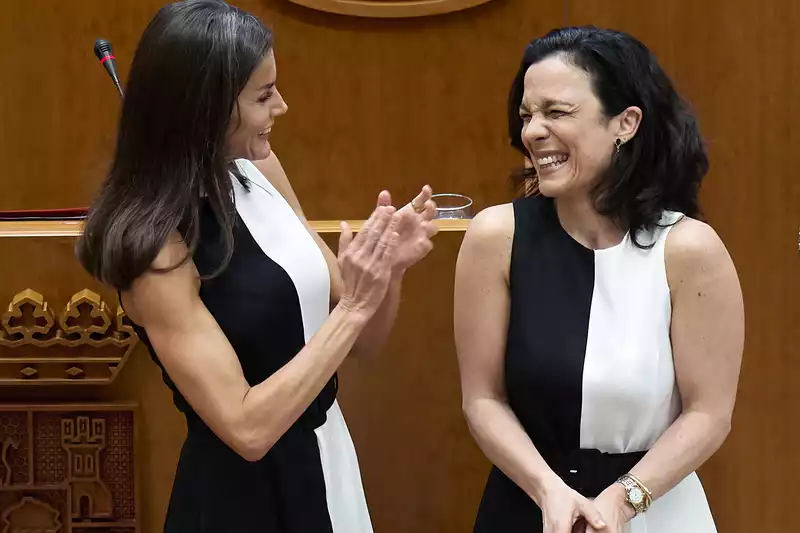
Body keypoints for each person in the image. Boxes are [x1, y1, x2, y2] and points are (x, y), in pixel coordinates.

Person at [76, 1, 437, 532]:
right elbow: (247, 428)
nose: (283, 107)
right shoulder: (157, 249)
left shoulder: (258, 164)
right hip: (243, 499)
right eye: (264, 95)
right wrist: (357, 306)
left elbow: (362, 340)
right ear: (207, 108)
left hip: (327, 453)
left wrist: (389, 271)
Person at [453, 26, 744, 533]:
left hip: (652, 507)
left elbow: (709, 412)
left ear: (625, 123)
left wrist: (621, 502)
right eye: (526, 115)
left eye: (557, 112)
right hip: (529, 504)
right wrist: (549, 490)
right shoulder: (496, 237)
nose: (532, 132)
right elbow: (483, 398)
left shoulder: (689, 249)